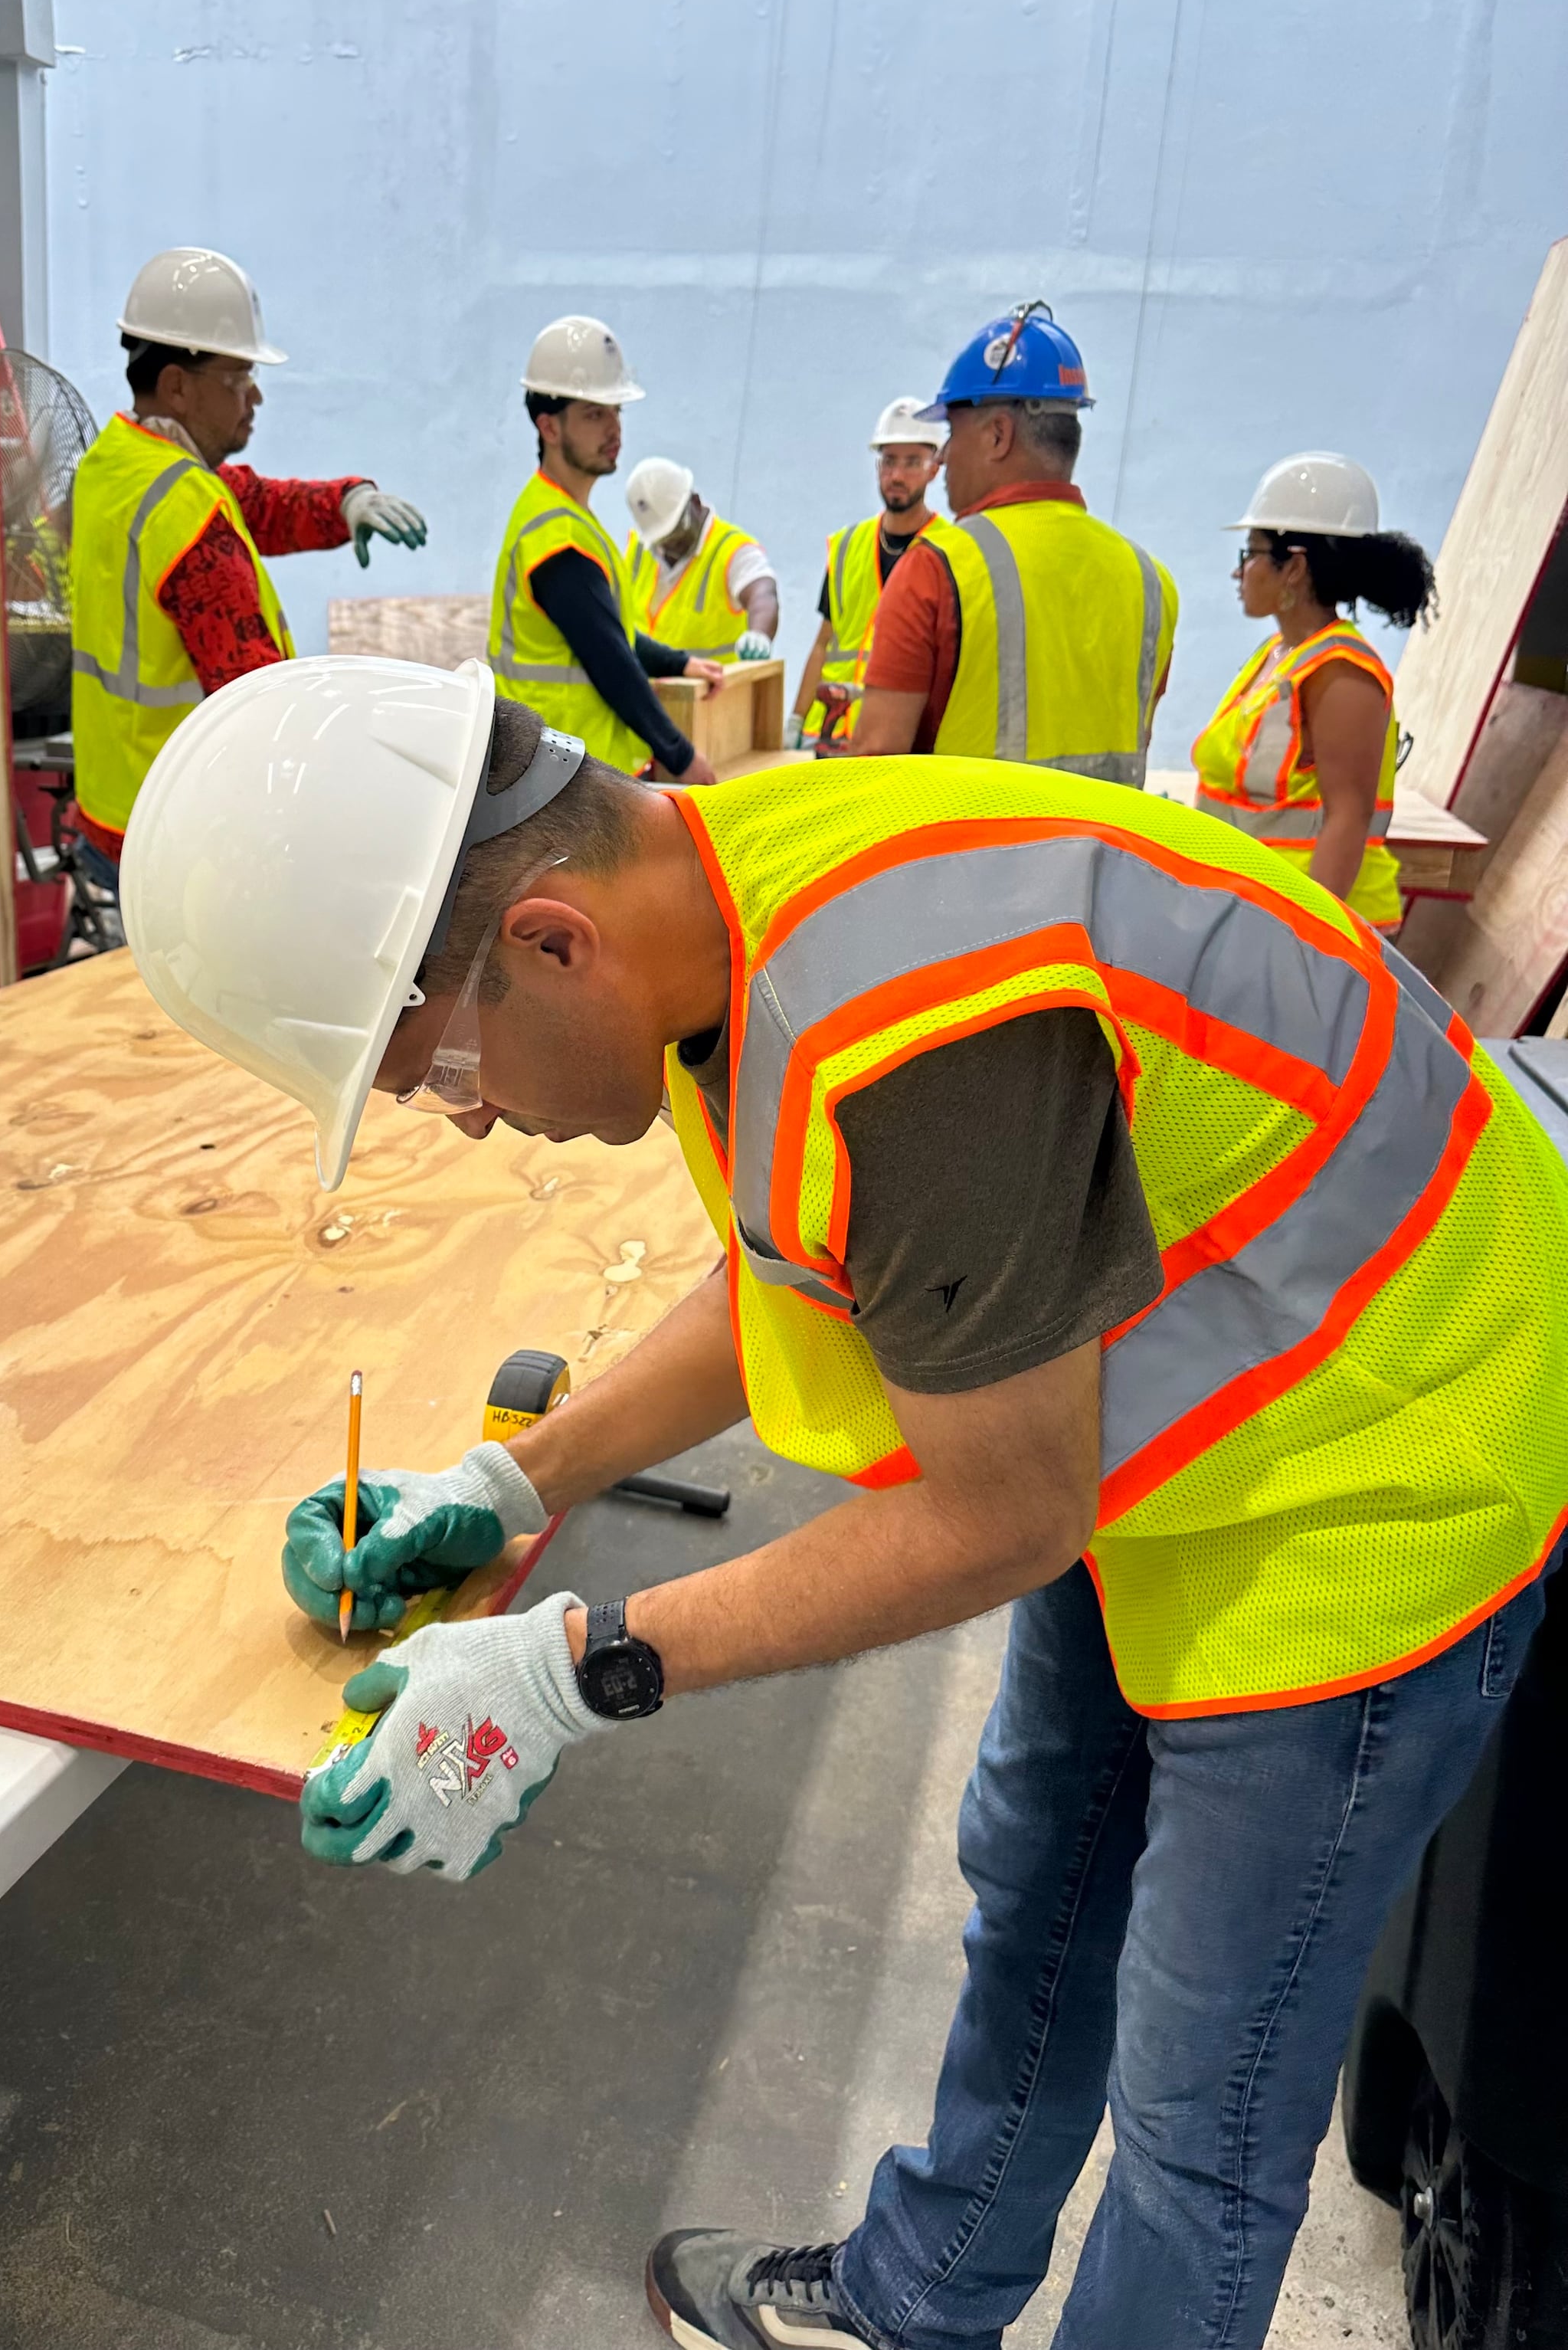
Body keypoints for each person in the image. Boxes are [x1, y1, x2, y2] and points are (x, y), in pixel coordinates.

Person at [124, 654, 1568, 2350]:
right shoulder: (718, 894)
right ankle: (918, 2297)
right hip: (1180, 1407)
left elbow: (995, 1512)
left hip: (1373, 1462)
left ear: (547, 940)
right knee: (1035, 1886)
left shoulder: (907, 1020)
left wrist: (563, 1670)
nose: (475, 1119)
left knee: (1205, 2115)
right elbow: (807, 1267)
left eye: (446, 1074)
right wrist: (512, 1477)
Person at [67, 245, 427, 891]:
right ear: (178, 384)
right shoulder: (186, 513)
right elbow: (259, 707)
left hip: (114, 811)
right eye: (238, 378)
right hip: (174, 847)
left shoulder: (115, 464)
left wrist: (347, 501)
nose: (256, 396)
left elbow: (251, 501)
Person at [852, 303, 1176, 782]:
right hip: (1104, 855)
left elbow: (876, 768)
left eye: (951, 434)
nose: (944, 456)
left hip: (967, 856)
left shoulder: (936, 569)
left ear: (998, 435)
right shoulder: (1152, 581)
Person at [1192, 453, 1434, 934]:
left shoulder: (1342, 673)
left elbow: (1346, 817)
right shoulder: (1279, 655)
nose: (1239, 574)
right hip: (1256, 912)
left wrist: (1307, 944)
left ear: (1294, 568)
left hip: (1311, 931)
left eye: (1251, 554)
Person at [492, 318, 725, 785]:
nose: (614, 428)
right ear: (549, 427)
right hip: (560, 784)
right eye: (594, 414)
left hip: (570, 775)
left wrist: (676, 662)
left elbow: (610, 629)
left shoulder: (567, 515)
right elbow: (610, 660)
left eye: (616, 410)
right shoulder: (556, 537)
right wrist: (682, 758)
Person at [787, 400, 946, 750]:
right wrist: (795, 721)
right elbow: (822, 643)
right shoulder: (848, 546)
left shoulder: (949, 550)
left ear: (934, 469)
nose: (897, 476)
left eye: (912, 463)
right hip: (828, 734)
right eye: (889, 461)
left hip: (897, 740)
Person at [622, 459, 781, 659]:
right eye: (663, 539)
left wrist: (759, 635)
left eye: (677, 532)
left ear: (695, 503)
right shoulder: (640, 547)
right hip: (647, 686)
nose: (670, 546)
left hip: (717, 688)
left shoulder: (731, 550)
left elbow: (763, 594)